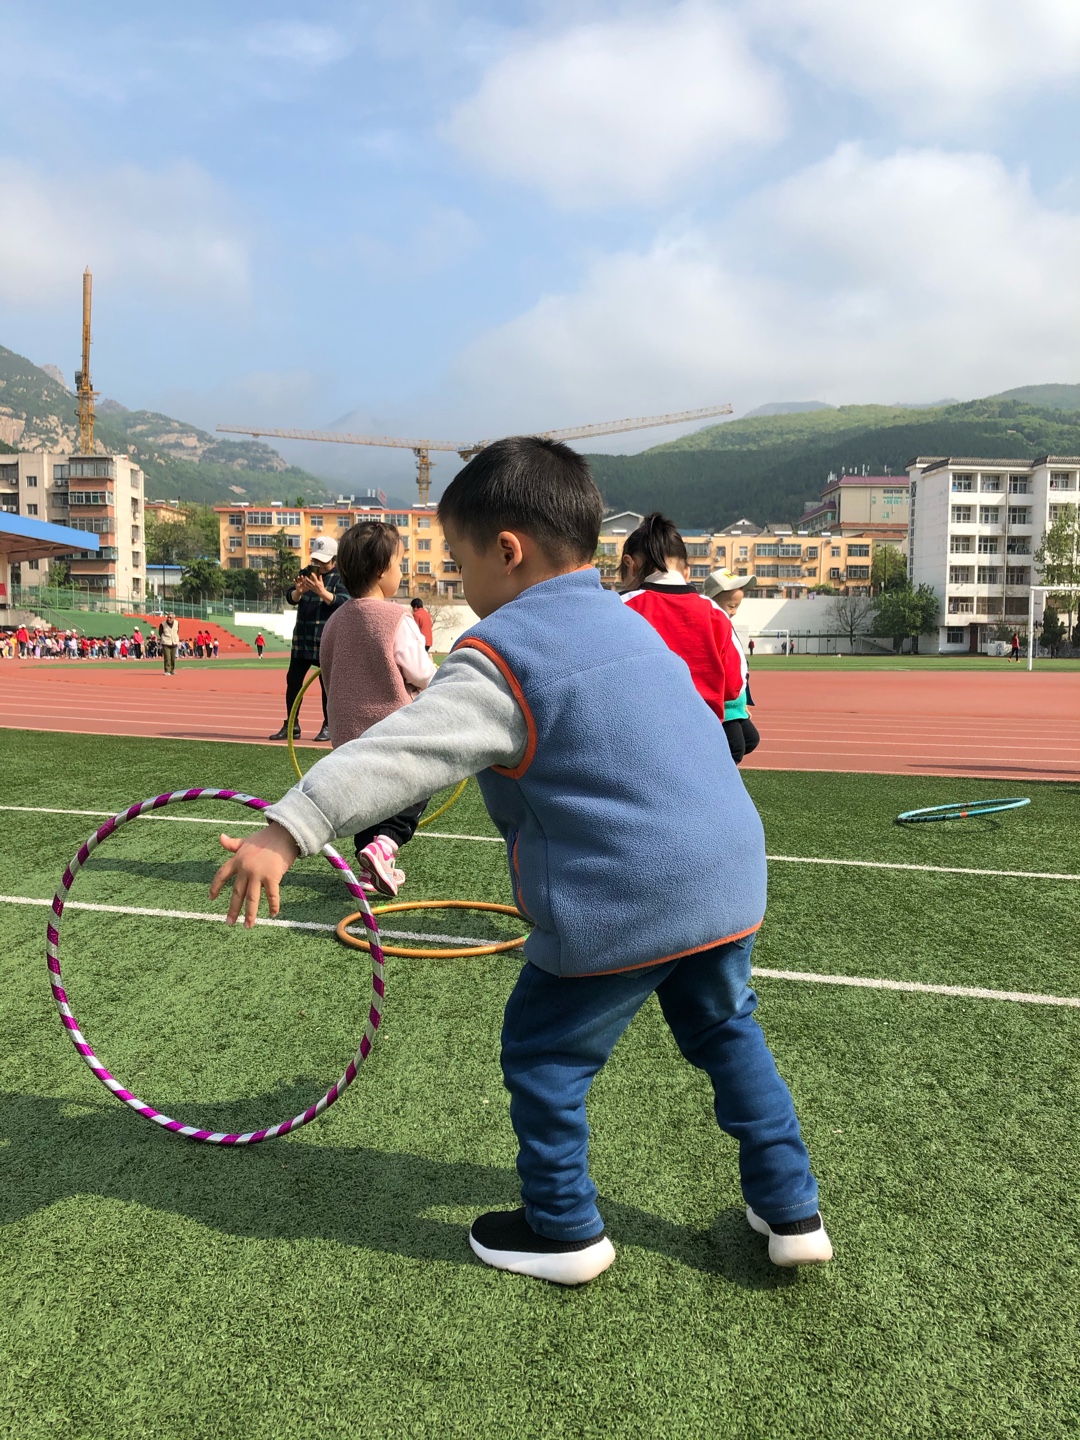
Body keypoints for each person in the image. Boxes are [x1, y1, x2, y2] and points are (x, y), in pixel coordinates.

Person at [212, 436, 830, 1286]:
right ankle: (792, 1209)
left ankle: (564, 1228)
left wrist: (288, 828)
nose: (459, 581)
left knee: (544, 1054)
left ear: (507, 551)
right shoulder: (630, 620)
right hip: (729, 877)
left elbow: (402, 750)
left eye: (460, 561)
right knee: (727, 1032)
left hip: (624, 893)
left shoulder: (507, 652)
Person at [320, 521, 436, 895]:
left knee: (367, 799)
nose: (401, 572)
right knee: (422, 780)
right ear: (382, 570)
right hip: (392, 730)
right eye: (399, 564)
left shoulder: (335, 620)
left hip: (348, 733)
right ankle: (385, 846)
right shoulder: (395, 618)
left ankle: (372, 868)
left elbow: (327, 672)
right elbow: (421, 673)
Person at [618, 512, 742, 724]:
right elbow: (733, 687)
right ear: (686, 571)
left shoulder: (620, 607)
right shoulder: (715, 613)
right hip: (704, 733)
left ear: (631, 564)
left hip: (641, 731)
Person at [270, 535, 349, 743]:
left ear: (334, 559)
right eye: (316, 560)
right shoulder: (306, 572)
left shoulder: (341, 577)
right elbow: (290, 597)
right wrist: (298, 592)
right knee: (293, 681)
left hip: (325, 639)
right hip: (303, 638)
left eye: (323, 561)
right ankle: (292, 724)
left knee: (326, 685)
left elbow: (344, 602)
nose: (318, 565)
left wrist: (322, 592)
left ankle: (328, 725)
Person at [704, 570, 761, 765]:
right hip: (723, 704)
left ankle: (715, 768)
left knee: (750, 740)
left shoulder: (727, 625)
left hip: (735, 703)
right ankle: (717, 776)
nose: (735, 611)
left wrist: (744, 702)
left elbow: (739, 666)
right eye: (731, 606)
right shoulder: (712, 626)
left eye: (737, 606)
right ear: (712, 601)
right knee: (735, 748)